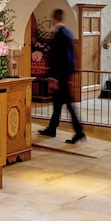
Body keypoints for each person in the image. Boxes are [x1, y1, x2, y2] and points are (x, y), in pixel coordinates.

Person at [38, 8, 85, 144]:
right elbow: (71, 57)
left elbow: (59, 59)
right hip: (64, 76)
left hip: (60, 78)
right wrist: (69, 76)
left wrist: (55, 79)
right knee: (58, 104)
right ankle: (52, 128)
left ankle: (79, 132)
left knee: (68, 106)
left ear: (54, 19)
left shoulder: (60, 35)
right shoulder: (67, 33)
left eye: (51, 18)